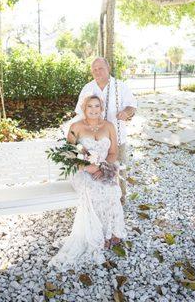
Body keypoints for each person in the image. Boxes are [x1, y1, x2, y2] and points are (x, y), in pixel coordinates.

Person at [49, 95, 126, 270]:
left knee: (112, 190)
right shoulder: (76, 127)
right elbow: (68, 155)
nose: (93, 109)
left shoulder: (109, 126)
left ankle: (110, 233)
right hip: (81, 171)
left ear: (102, 108)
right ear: (84, 108)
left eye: (97, 106)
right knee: (94, 190)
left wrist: (103, 167)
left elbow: (113, 153)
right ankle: (96, 237)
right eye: (89, 106)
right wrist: (87, 167)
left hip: (103, 168)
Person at [75, 57, 137, 204]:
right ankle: (99, 200)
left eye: (100, 68)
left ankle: (119, 200)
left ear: (108, 68)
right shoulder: (87, 88)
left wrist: (126, 113)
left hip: (117, 137)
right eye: (94, 69)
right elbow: (79, 112)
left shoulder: (120, 86)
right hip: (94, 140)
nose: (97, 71)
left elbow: (132, 106)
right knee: (96, 169)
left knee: (117, 169)